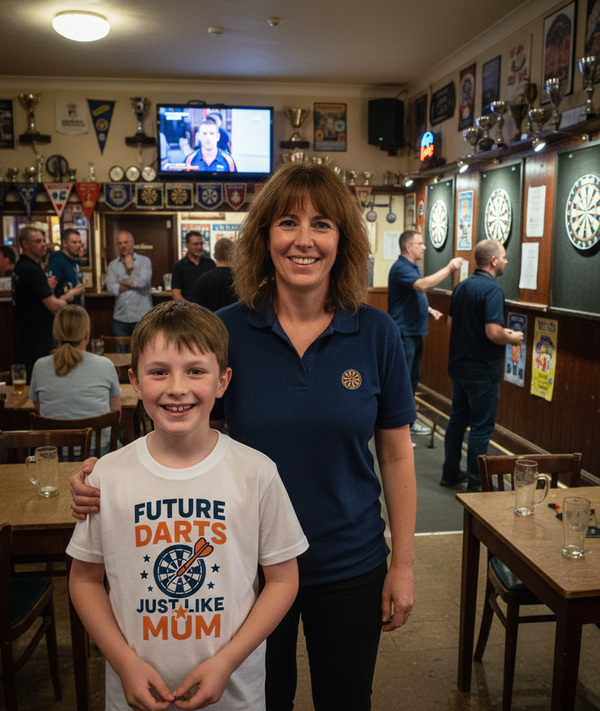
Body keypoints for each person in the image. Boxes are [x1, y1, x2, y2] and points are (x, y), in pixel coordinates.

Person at [71, 163, 418, 711]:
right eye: (287, 222)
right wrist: (106, 476)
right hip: (243, 569)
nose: (304, 239)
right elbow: (180, 424)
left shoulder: (376, 333)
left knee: (347, 700)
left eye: (322, 224)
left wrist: (403, 563)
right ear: (264, 238)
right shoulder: (225, 330)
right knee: (262, 700)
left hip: (351, 561)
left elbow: (397, 456)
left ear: (343, 240)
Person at [67, 300, 308, 711]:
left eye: (195, 371)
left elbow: (283, 580)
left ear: (222, 381)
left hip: (234, 692)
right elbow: (85, 580)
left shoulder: (256, 472)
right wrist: (124, 663)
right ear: (135, 382)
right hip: (135, 692)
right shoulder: (107, 477)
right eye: (159, 372)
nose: (177, 388)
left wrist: (228, 660)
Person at [441, 239, 524, 492]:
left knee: (457, 420)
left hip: (459, 367)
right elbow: (492, 332)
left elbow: (450, 325)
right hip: (482, 371)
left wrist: (495, 332)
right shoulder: (493, 290)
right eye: (504, 257)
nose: (506, 261)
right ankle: (477, 484)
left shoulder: (462, 287)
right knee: (480, 428)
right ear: (493, 261)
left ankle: (450, 472)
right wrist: (513, 337)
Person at [387, 230, 464, 436]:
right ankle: (398, 425)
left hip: (413, 332)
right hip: (404, 333)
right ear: (408, 247)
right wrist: (449, 267)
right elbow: (422, 286)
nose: (424, 247)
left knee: (412, 379)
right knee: (403, 381)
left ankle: (405, 422)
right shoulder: (400, 268)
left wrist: (428, 310)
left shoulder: (410, 267)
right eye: (420, 243)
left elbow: (409, 296)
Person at [29, 305, 121, 457]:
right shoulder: (105, 365)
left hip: (53, 455)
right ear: (87, 334)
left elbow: (41, 411)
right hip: (99, 454)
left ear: (55, 334)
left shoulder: (40, 366)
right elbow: (116, 414)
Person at [12, 226, 84, 381]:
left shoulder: (25, 266)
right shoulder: (31, 268)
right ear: (25, 244)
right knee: (40, 381)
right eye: (38, 241)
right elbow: (53, 305)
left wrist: (44, 286)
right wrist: (68, 297)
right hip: (36, 337)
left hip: (30, 333)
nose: (43, 244)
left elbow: (35, 294)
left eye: (44, 240)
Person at [105, 231, 152, 337]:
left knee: (143, 352)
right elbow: (111, 289)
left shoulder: (144, 261)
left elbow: (142, 283)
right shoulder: (113, 265)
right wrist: (132, 284)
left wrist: (130, 269)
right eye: (120, 243)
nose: (123, 246)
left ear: (133, 243)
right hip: (120, 318)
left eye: (126, 242)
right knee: (119, 353)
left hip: (142, 317)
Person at [188, 237, 236, 312]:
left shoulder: (202, 279)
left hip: (209, 322)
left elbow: (193, 306)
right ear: (233, 256)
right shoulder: (239, 280)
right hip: (234, 322)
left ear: (214, 256)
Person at [171, 231, 216, 301]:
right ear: (187, 245)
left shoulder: (210, 264)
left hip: (209, 309)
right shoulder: (179, 266)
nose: (199, 247)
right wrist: (190, 310)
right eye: (195, 244)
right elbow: (176, 294)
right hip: (188, 309)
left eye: (201, 243)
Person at [48, 228, 85, 306]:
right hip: (63, 312)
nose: (78, 245)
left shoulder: (75, 262)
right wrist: (71, 294)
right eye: (74, 242)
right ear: (64, 243)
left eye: (79, 242)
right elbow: (50, 295)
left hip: (76, 310)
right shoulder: (58, 261)